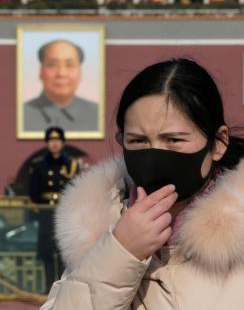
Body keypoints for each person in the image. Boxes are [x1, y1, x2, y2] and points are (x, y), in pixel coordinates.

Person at [41, 58, 244, 309]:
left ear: (218, 143)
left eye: (174, 140)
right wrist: (119, 253)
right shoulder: (100, 233)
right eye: (138, 141)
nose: (155, 155)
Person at [29, 126, 80, 293]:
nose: (54, 143)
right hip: (46, 213)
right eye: (51, 140)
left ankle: (66, 286)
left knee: (65, 249)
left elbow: (77, 189)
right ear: (46, 143)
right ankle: (49, 286)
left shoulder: (71, 164)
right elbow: (33, 193)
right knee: (47, 251)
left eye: (57, 140)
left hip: (66, 213)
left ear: (63, 142)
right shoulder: (39, 166)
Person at [24, 39, 98, 132]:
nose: (61, 73)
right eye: (52, 65)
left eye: (70, 65)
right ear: (41, 71)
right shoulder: (23, 113)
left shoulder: (97, 113)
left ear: (80, 72)